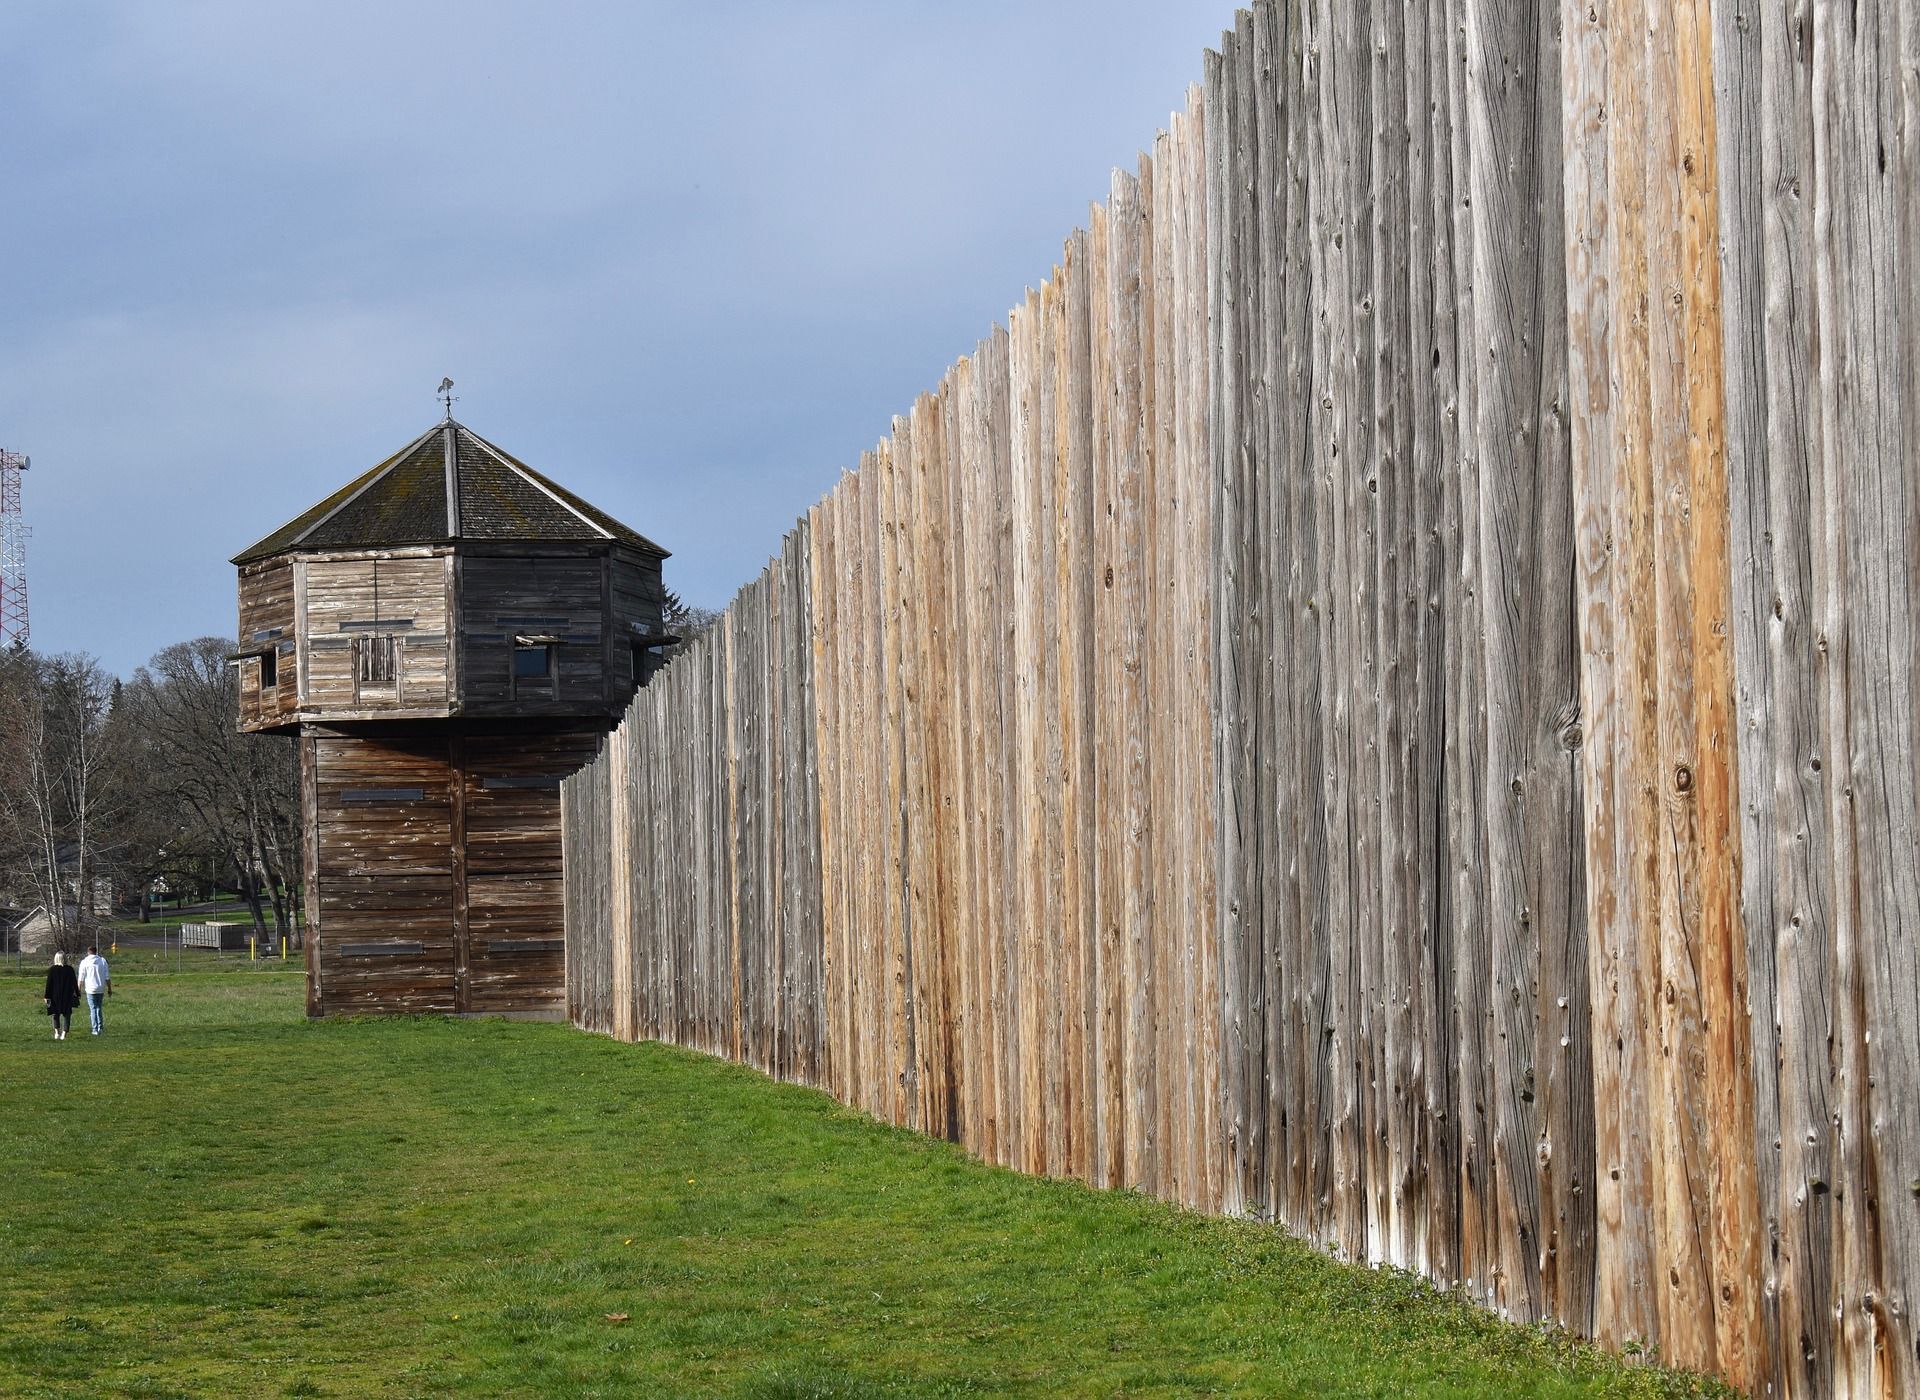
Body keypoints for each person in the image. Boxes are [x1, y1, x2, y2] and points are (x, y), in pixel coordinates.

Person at [43, 951, 80, 1040]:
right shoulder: (70, 969)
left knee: (55, 1014)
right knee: (67, 1014)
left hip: (55, 995)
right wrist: (77, 993)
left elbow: (49, 984)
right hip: (67, 994)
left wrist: (46, 996)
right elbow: (74, 982)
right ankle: (64, 1033)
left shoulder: (52, 969)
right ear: (65, 958)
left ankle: (57, 1032)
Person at [75, 944, 111, 1036]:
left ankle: (95, 1029)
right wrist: (109, 988)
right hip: (100, 988)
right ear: (96, 952)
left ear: (88, 952)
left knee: (93, 1008)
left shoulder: (84, 962)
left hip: (90, 989)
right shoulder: (102, 961)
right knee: (99, 1007)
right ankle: (100, 1027)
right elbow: (107, 977)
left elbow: (81, 978)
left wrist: (78, 990)